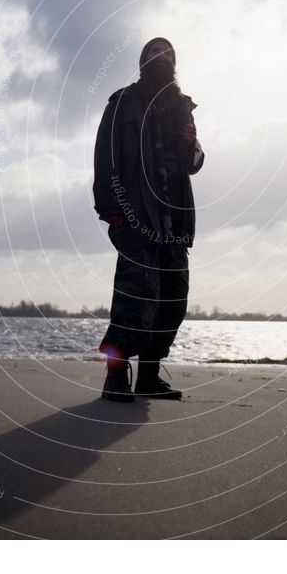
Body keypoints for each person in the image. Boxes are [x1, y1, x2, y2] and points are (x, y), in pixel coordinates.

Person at [92, 37, 204, 401]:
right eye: (154, 53)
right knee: (134, 298)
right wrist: (110, 207)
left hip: (174, 220)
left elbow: (194, 163)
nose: (161, 58)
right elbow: (105, 157)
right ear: (143, 62)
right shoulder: (122, 102)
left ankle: (149, 377)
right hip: (135, 216)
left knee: (173, 299)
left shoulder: (182, 107)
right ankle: (115, 378)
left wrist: (192, 144)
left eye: (168, 54)